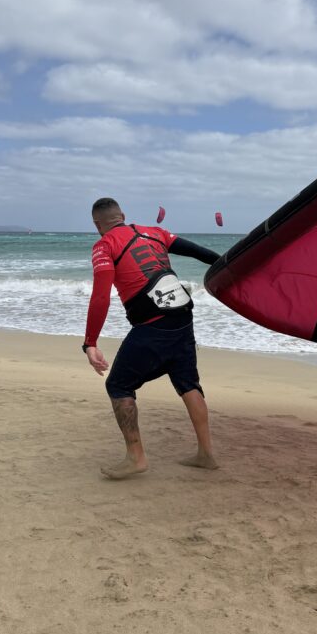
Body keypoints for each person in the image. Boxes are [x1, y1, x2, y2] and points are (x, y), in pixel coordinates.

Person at [83, 197, 221, 479]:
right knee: (188, 383)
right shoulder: (155, 232)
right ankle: (206, 454)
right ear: (122, 215)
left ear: (97, 225)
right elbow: (199, 252)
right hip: (183, 319)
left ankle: (136, 458)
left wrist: (90, 342)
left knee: (118, 385)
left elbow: (100, 297)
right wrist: (229, 265)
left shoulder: (104, 245)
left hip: (153, 325)